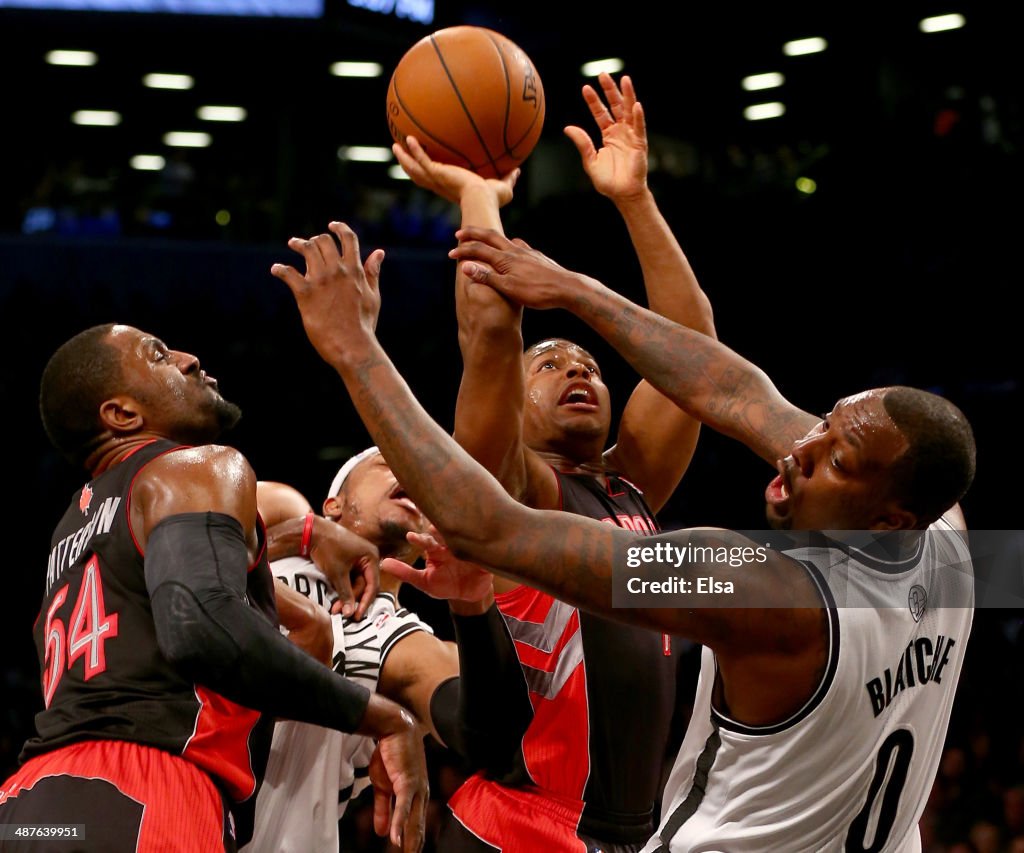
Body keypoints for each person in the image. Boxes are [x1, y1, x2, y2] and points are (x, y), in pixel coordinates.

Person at [274, 219, 976, 852]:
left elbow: (481, 524)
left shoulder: (762, 589)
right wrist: (576, 285)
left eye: (834, 460)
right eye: (817, 425)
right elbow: (734, 391)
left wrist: (352, 350)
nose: (796, 451)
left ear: (889, 518)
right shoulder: (952, 545)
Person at [390, 72, 715, 851]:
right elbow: (491, 336)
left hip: (624, 832)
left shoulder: (628, 485)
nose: (579, 370)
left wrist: (635, 202)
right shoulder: (513, 489)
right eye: (554, 365)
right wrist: (479, 196)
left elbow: (695, 353)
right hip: (521, 823)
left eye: (590, 365)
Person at [0, 323, 428, 852]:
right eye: (159, 355)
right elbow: (200, 625)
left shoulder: (73, 525)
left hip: (30, 803)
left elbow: (185, 593)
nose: (189, 358)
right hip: (145, 789)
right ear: (121, 415)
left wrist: (308, 537)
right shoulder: (196, 465)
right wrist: (384, 717)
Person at [243, 450, 503, 853]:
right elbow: (175, 544)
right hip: (164, 782)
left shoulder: (411, 641)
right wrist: (301, 534)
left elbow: (491, 736)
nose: (411, 476)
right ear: (335, 505)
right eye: (388, 463)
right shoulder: (282, 509)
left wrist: (472, 605)